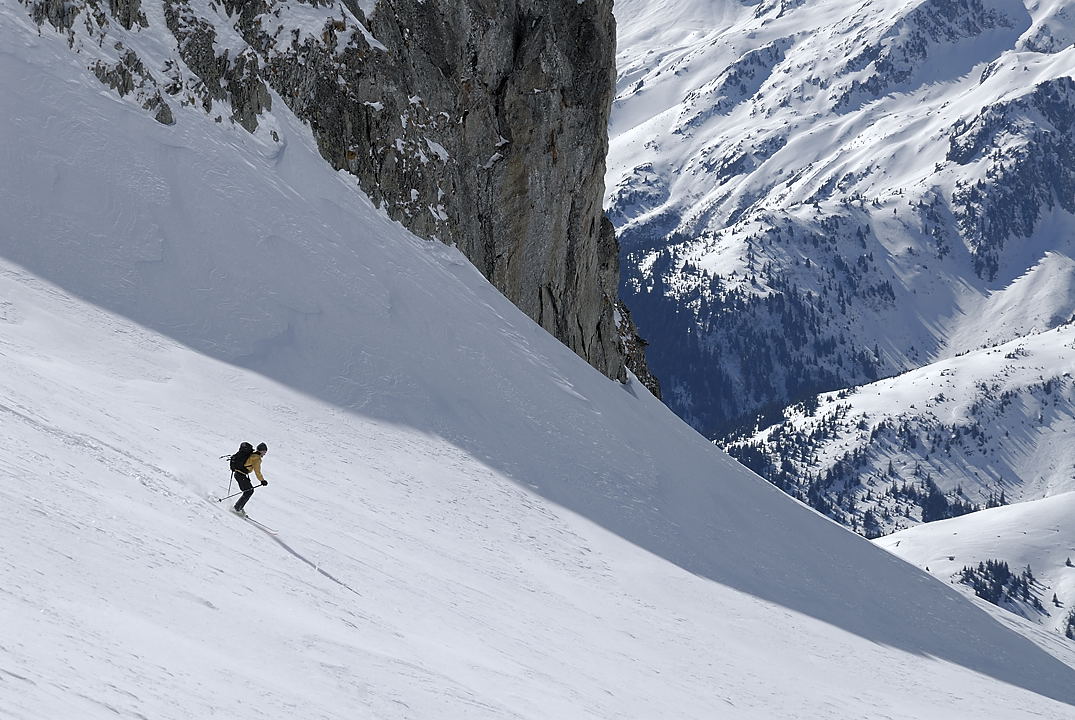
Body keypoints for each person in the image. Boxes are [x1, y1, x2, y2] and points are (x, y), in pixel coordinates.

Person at [232, 442, 269, 516]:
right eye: (264, 452)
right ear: (261, 451)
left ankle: (239, 507)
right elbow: (257, 471)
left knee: (248, 491)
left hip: (239, 474)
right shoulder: (256, 458)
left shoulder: (252, 454)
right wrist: (262, 480)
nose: (265, 454)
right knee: (249, 491)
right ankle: (237, 508)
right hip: (241, 475)